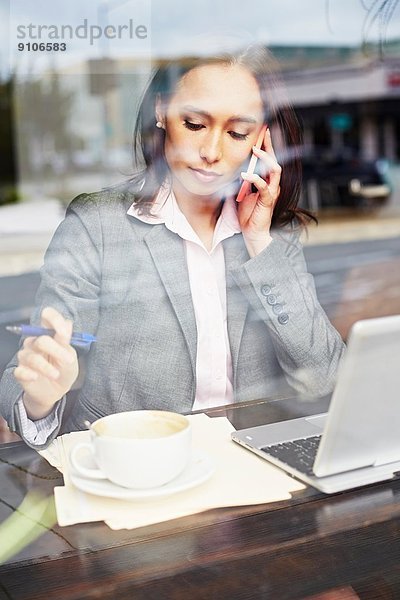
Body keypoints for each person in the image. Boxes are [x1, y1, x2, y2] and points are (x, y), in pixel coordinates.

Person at [0, 44, 345, 449]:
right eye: (195, 124)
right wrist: (41, 395)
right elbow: (21, 377)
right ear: (162, 111)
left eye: (237, 133)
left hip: (253, 469)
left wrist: (258, 241)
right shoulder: (98, 225)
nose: (211, 153)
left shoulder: (270, 238)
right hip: (137, 469)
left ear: (262, 138)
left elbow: (327, 380)